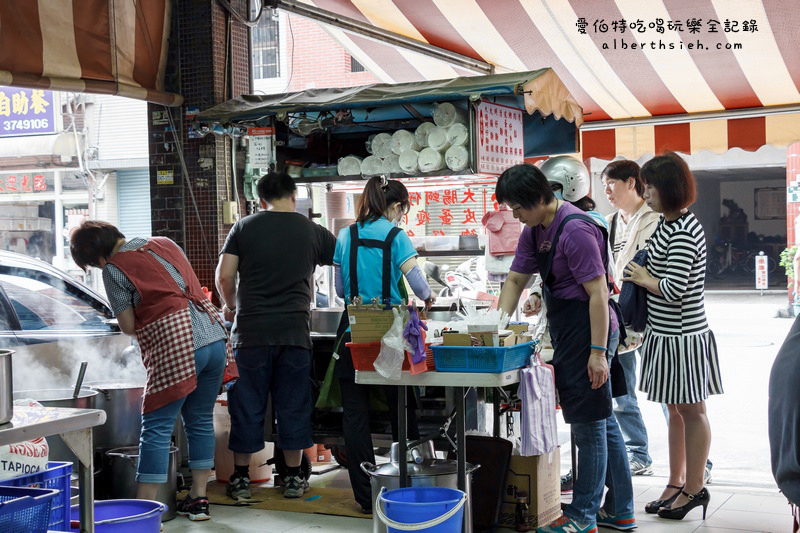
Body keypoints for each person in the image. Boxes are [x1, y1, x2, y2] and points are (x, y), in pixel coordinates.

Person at [496, 164, 634, 533]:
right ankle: (620, 508)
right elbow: (515, 279)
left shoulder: (575, 229)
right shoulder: (535, 229)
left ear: (538, 198)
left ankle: (584, 516)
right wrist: (496, 326)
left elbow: (599, 294)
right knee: (600, 422)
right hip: (569, 330)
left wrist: (598, 353)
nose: (515, 215)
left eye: (517, 207)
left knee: (589, 428)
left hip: (592, 330)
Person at [70, 221, 234, 522]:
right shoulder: (163, 242)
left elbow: (129, 326)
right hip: (214, 335)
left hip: (181, 343)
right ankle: (199, 499)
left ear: (97, 256)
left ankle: (143, 513)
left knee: (157, 426)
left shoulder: (114, 269)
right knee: (198, 420)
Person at [215, 171, 336, 500]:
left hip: (250, 332)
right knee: (294, 405)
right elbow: (343, 260)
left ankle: (240, 480)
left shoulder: (244, 227)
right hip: (295, 333)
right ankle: (294, 479)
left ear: (260, 199)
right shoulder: (311, 230)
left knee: (247, 406)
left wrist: (231, 306)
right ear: (294, 195)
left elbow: (225, 276)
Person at [622, 153, 723, 520]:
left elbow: (676, 287)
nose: (645, 192)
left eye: (649, 186)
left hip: (683, 335)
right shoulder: (668, 224)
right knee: (675, 410)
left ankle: (695, 487)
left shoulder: (684, 229)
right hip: (666, 334)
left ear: (669, 188)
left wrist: (642, 278)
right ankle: (677, 481)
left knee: (692, 411)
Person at [332, 176, 433, 513]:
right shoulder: (395, 235)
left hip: (355, 327)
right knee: (402, 408)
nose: (402, 215)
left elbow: (338, 291)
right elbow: (419, 284)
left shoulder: (345, 235)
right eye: (403, 209)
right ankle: (407, 488)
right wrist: (431, 297)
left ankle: (365, 496)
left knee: (355, 414)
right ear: (395, 206)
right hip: (393, 330)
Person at [602, 160, 660, 476]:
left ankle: (696, 462)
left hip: (653, 316)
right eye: (604, 184)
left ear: (631, 182)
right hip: (619, 318)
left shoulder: (655, 219)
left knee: (668, 392)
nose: (607, 190)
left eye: (612, 183)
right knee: (623, 393)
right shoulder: (609, 223)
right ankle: (638, 453)